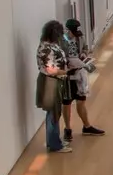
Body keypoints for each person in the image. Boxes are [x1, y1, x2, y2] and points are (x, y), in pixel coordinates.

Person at [60, 18, 104, 139]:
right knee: (67, 103)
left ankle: (87, 126)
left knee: (81, 101)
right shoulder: (61, 41)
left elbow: (85, 48)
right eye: (73, 32)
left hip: (79, 74)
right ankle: (67, 128)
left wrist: (84, 54)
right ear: (68, 31)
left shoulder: (80, 38)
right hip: (67, 76)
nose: (76, 35)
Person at [35, 21, 73, 153]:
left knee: (55, 111)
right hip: (50, 82)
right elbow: (50, 70)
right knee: (52, 113)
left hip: (55, 81)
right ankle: (54, 144)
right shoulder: (46, 48)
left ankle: (54, 141)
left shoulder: (51, 45)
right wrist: (65, 71)